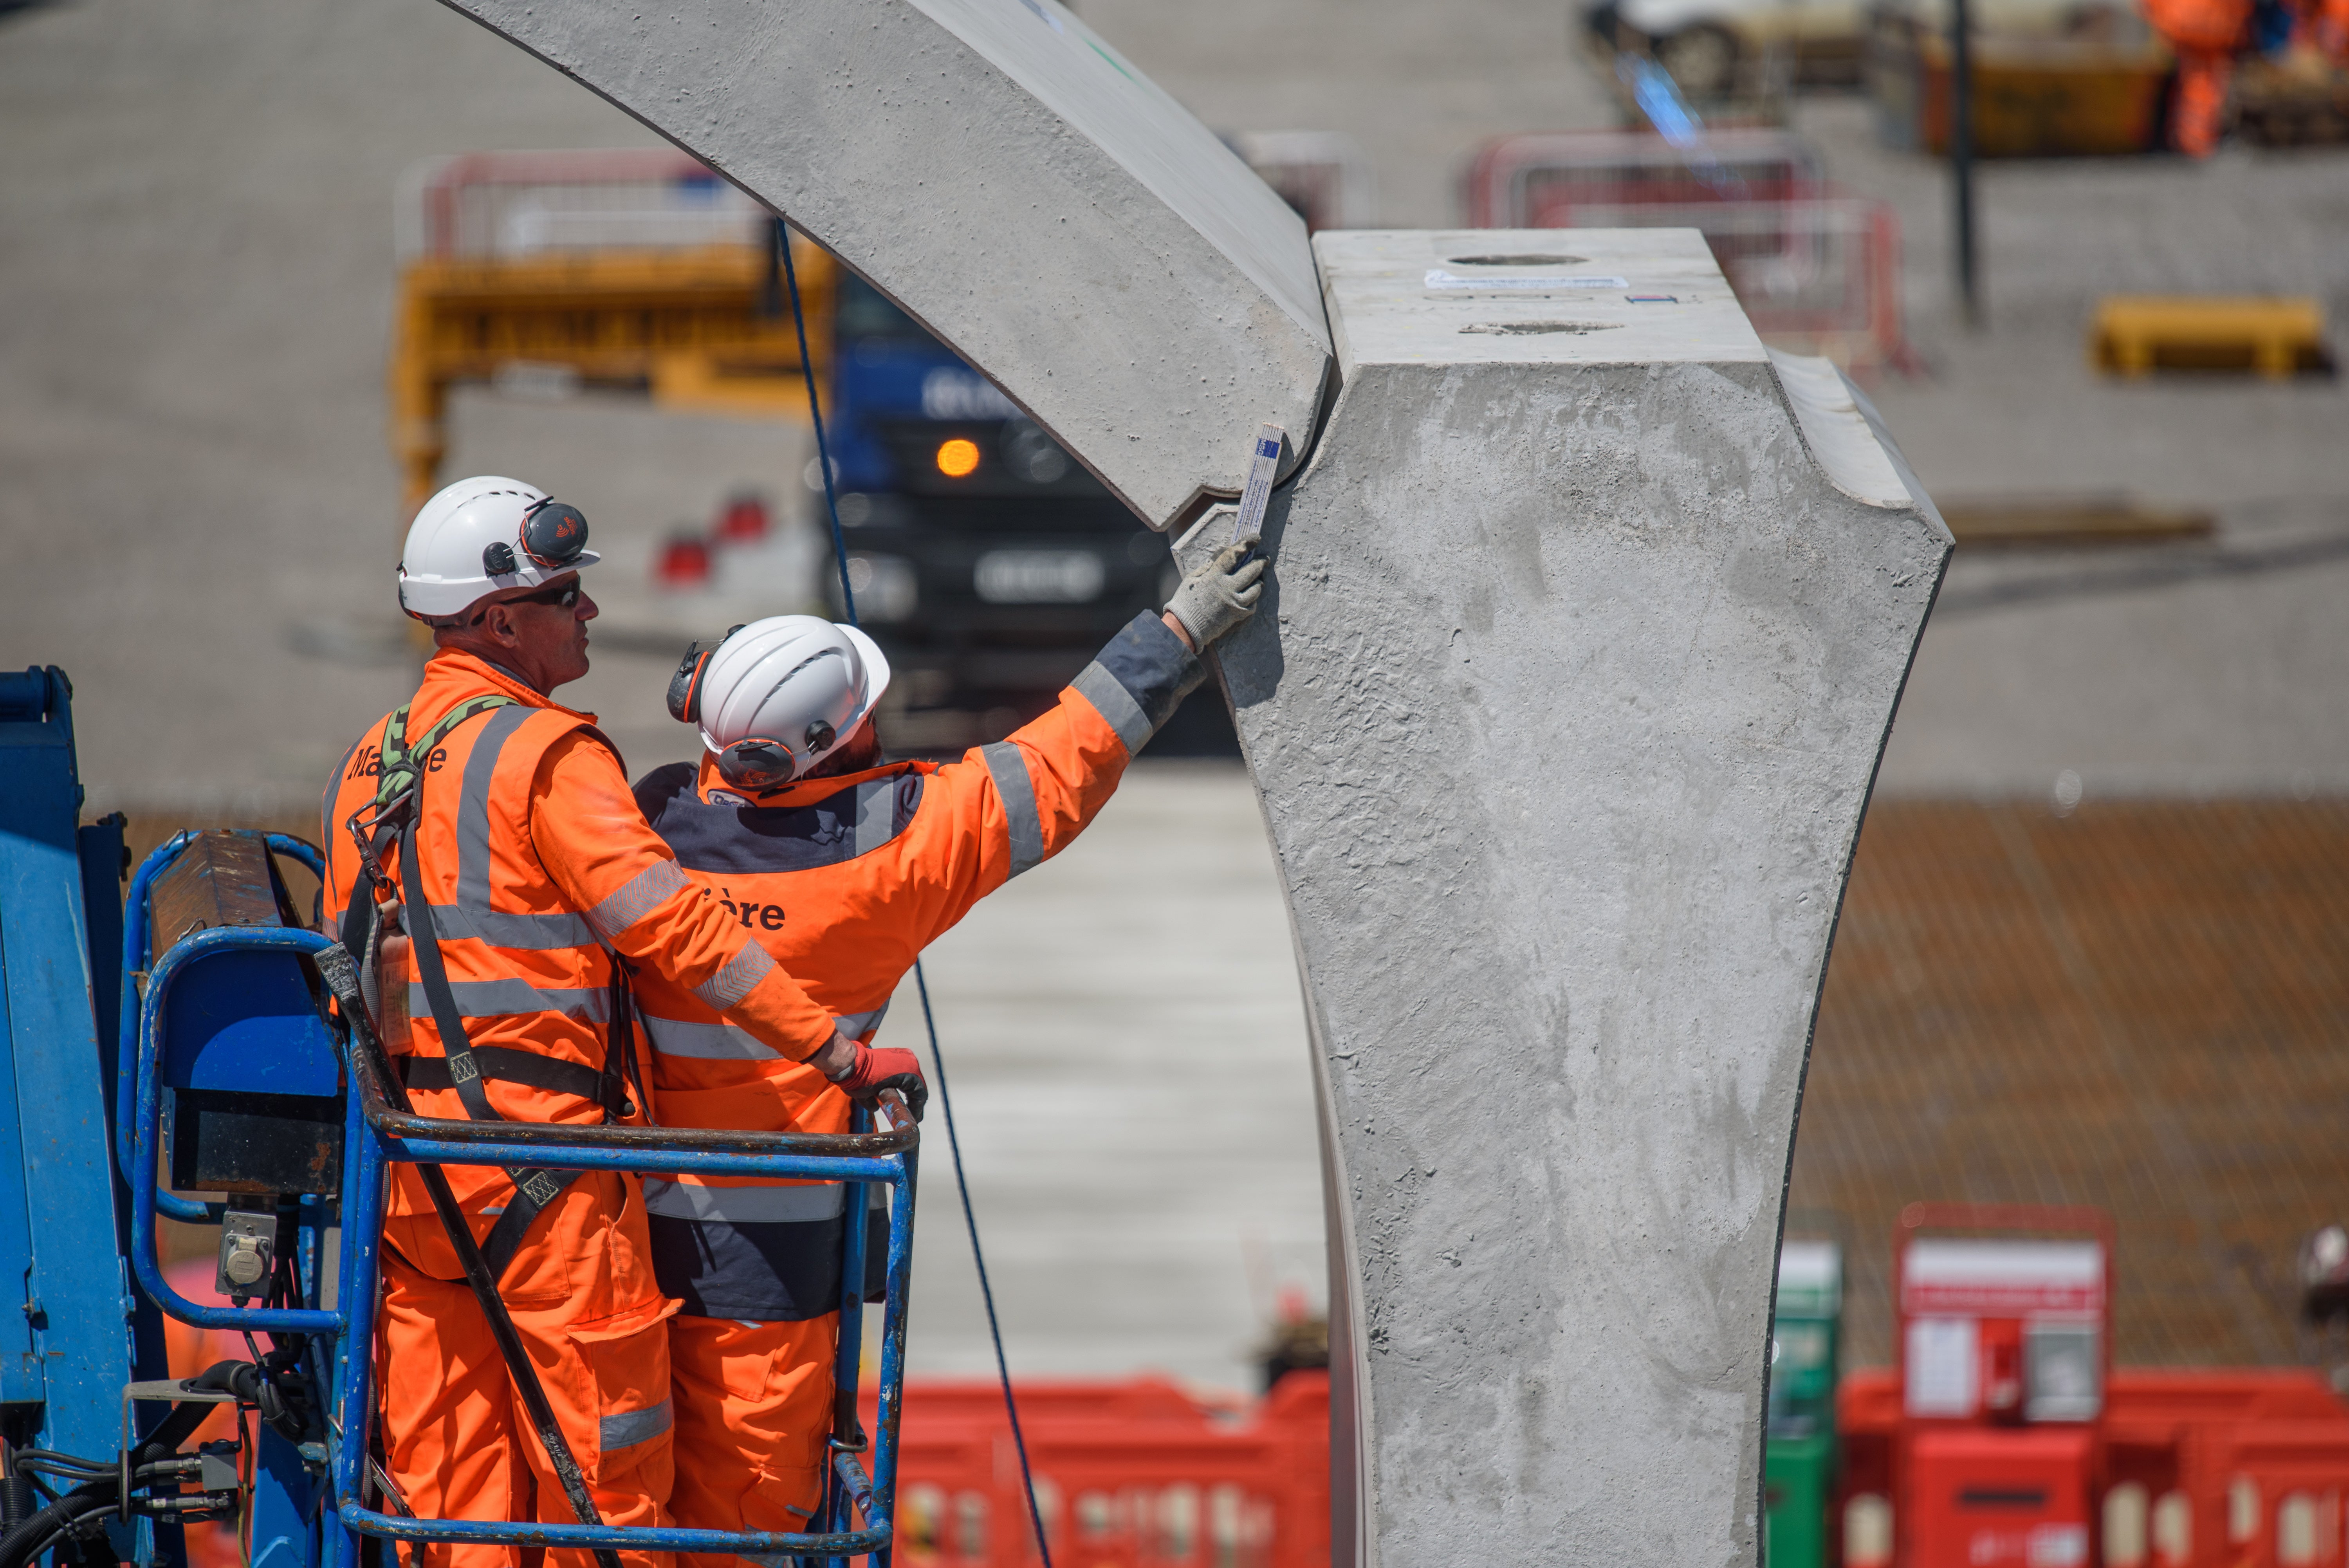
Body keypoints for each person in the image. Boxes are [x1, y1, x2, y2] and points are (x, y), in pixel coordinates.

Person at [628, 539, 1267, 1561]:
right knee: (750, 1513)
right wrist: (1182, 630)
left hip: (607, 1228)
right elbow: (1063, 761)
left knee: (612, 1488)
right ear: (841, 738)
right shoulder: (894, 855)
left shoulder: (640, 827)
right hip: (770, 1261)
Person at [321, 476, 905, 1568]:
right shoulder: (548, 757)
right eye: (564, 598)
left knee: (450, 1503)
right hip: (549, 1180)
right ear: (499, 622)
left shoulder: (370, 763)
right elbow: (676, 928)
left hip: (413, 1186)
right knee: (608, 1492)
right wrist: (832, 1046)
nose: (589, 614)